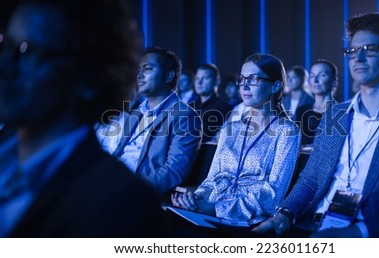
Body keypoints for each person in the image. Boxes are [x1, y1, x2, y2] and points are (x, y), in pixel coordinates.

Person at [254, 13, 379, 237]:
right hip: (312, 225)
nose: (358, 58)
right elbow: (310, 179)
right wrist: (285, 213)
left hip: (371, 233)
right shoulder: (334, 114)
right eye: (353, 51)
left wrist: (360, 232)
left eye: (371, 49)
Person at [0, 0, 163, 237]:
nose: (4, 65)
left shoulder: (120, 201)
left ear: (90, 76)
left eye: (26, 51)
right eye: (5, 46)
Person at [172, 53, 301, 224]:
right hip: (210, 209)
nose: (245, 86)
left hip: (247, 219)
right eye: (242, 79)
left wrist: (217, 208)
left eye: (254, 79)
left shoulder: (287, 131)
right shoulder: (230, 129)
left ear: (275, 86)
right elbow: (211, 180)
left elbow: (272, 196)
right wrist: (195, 198)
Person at [98, 46, 202, 195]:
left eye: (147, 69)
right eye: (138, 69)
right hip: (114, 182)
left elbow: (173, 171)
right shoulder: (136, 113)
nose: (139, 75)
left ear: (168, 76)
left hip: (137, 192)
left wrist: (132, 189)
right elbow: (119, 153)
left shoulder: (185, 115)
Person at [294, 59, 338, 146]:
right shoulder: (301, 111)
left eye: (322, 75)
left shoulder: (341, 112)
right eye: (312, 76)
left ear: (334, 82)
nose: (315, 80)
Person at [190, 63, 232, 143]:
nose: (199, 82)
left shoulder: (223, 108)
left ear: (216, 82)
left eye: (205, 78)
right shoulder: (190, 107)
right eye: (197, 78)